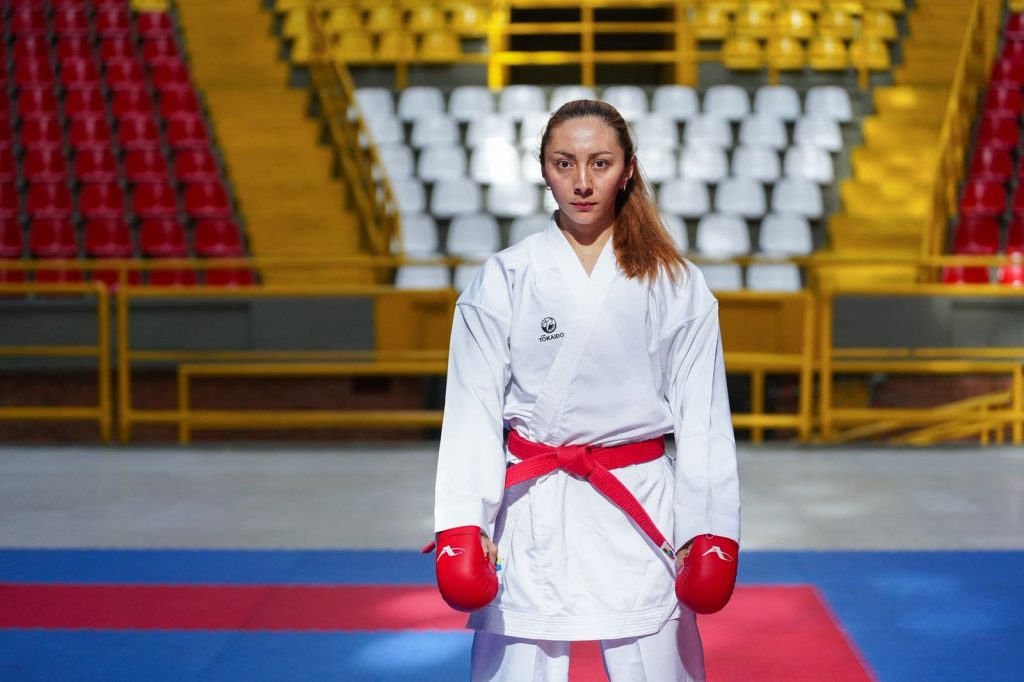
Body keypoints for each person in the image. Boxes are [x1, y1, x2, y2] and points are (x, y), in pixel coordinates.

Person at [427, 98, 741, 681]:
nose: (581, 182)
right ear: (542, 169)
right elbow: (470, 411)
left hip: (640, 505)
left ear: (628, 170)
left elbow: (704, 420)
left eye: (599, 163)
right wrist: (464, 522)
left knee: (655, 663)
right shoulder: (504, 278)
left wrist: (710, 528)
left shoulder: (676, 284)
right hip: (532, 508)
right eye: (563, 163)